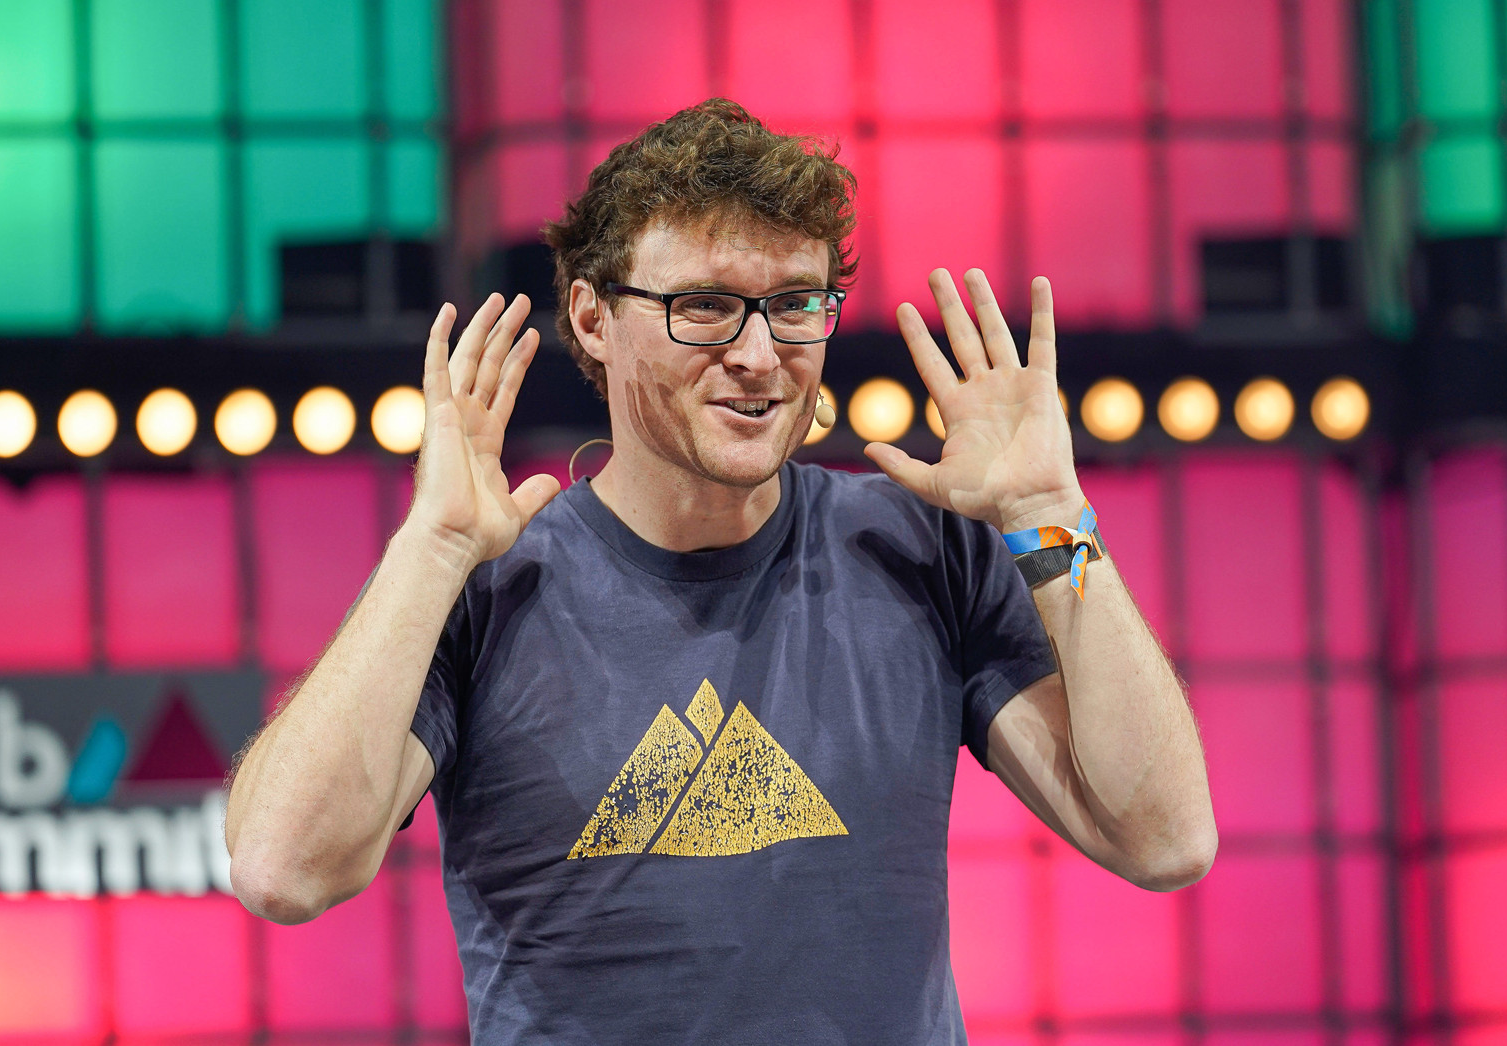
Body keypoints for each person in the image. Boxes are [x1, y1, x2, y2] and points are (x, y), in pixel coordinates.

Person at [225, 99, 1216, 1044]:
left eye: (794, 305)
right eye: (705, 306)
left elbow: (1165, 839)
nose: (758, 354)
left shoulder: (921, 547)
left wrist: (1050, 518)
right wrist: (430, 548)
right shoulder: (488, 584)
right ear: (595, 317)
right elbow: (282, 868)